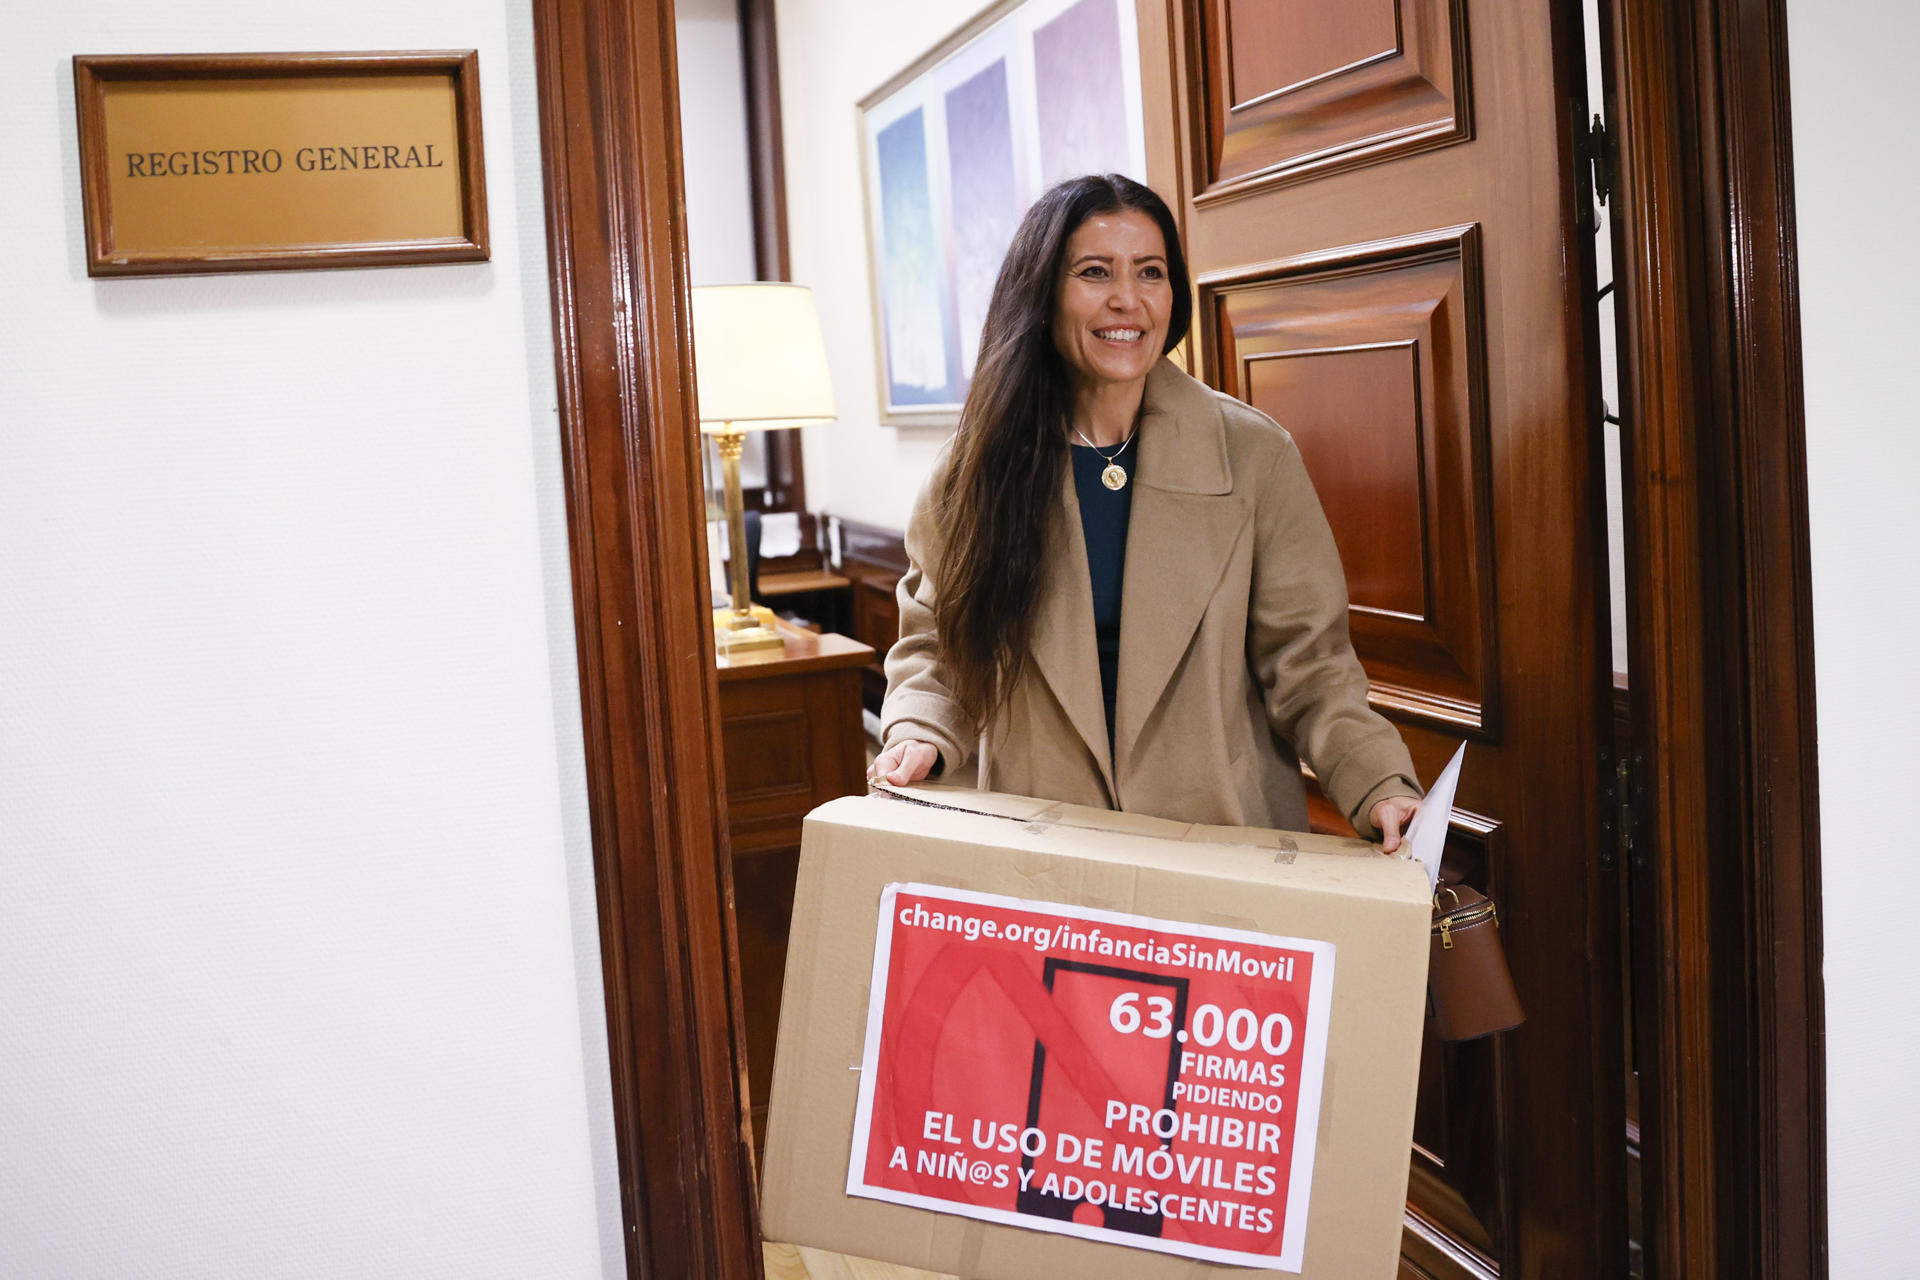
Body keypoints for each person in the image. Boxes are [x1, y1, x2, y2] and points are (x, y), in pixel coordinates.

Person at [871, 174, 1423, 850]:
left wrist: (1376, 781)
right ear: (1042, 293)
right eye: (1095, 272)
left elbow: (1311, 663)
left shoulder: (1255, 456)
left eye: (1151, 273)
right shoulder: (973, 469)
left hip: (1219, 843)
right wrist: (920, 730)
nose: (1126, 300)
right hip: (1042, 844)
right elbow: (938, 645)